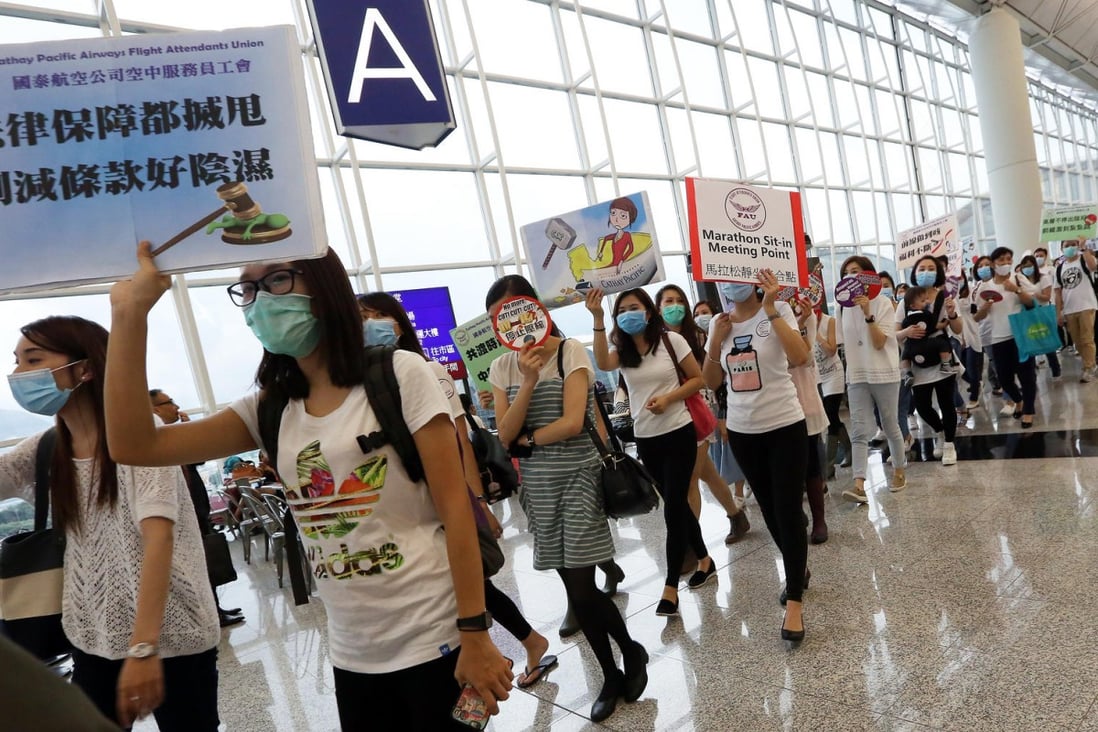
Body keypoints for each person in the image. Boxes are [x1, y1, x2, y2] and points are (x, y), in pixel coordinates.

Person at [105, 244, 513, 730]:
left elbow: (456, 512)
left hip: (435, 638)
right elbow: (133, 445)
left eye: (278, 279)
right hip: (351, 652)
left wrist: (475, 632)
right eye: (249, 288)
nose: (262, 299)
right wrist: (130, 316)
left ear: (323, 287)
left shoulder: (402, 374)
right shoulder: (269, 408)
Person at [2, 316, 220, 730]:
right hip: (92, 637)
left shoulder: (142, 435)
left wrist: (143, 647)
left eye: (33, 359)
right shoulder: (47, 448)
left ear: (85, 368)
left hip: (172, 635)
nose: (17, 374)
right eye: (16, 361)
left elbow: (159, 540)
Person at [358, 290, 555, 689]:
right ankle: (523, 645)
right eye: (362, 316)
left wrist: (477, 500)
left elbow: (459, 441)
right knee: (465, 586)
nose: (370, 324)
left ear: (399, 322)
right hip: (403, 509)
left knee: (467, 583)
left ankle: (505, 652)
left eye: (379, 315)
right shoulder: (360, 384)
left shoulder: (427, 371)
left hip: (442, 500)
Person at [487, 275, 646, 723]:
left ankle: (617, 669)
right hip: (538, 491)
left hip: (578, 479)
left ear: (536, 309)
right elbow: (503, 433)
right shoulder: (503, 368)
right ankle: (624, 657)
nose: (514, 323)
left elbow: (574, 422)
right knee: (578, 591)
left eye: (519, 310)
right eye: (503, 316)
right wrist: (529, 380)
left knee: (581, 589)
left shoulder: (569, 350)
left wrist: (529, 441)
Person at [588, 286, 716, 620]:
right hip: (647, 438)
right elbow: (601, 361)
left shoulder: (671, 342)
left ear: (648, 311)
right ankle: (705, 559)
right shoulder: (623, 351)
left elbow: (698, 379)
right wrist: (599, 319)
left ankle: (671, 585)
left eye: (635, 307)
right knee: (675, 503)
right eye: (622, 310)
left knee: (674, 506)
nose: (629, 314)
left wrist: (669, 398)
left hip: (679, 431)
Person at [700, 271, 811, 642]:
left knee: (788, 510)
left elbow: (800, 357)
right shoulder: (720, 323)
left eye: (740, 275)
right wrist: (715, 340)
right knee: (769, 509)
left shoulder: (777, 308)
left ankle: (794, 596)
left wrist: (772, 310)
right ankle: (799, 569)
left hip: (784, 426)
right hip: (744, 433)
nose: (734, 283)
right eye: (726, 277)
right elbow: (710, 382)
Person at [656, 284, 750, 546]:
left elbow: (716, 376)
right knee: (708, 473)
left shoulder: (698, 337)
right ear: (658, 308)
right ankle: (736, 515)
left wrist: (722, 413)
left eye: (678, 300)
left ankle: (690, 546)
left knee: (689, 482)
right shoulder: (653, 341)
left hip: (699, 412)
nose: (674, 306)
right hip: (670, 416)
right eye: (667, 301)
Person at [150, 388, 244, 628]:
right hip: (183, 510)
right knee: (197, 563)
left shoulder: (173, 434)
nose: (176, 405)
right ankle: (209, 613)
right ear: (155, 409)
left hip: (197, 505)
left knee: (205, 560)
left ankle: (215, 609)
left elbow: (198, 459)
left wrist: (185, 431)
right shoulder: (156, 438)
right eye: (169, 402)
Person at [835, 257, 908, 503]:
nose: (850, 277)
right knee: (858, 429)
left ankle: (899, 470)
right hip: (856, 373)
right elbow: (842, 342)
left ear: (868, 275)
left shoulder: (883, 302)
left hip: (883, 371)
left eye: (855, 272)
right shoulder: (841, 306)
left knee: (889, 424)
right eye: (846, 273)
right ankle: (858, 484)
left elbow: (879, 342)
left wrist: (868, 314)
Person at [897, 256, 962, 466]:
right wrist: (908, 332)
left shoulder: (946, 298)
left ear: (938, 272)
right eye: (922, 268)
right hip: (918, 359)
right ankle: (939, 431)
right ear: (915, 272)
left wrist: (952, 314)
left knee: (947, 402)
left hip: (941, 353)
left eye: (931, 268)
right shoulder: (906, 299)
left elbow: (957, 329)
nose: (926, 271)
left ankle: (950, 444)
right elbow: (895, 331)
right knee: (923, 406)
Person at [973, 246, 1039, 428]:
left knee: (1027, 376)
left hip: (1020, 336)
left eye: (1009, 259)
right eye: (1001, 260)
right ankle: (1018, 400)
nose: (1005, 263)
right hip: (998, 338)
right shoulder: (985, 287)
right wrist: (985, 308)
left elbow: (1032, 302)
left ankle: (1028, 411)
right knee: (1004, 378)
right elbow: (977, 317)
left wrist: (1016, 290)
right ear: (994, 263)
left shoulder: (1017, 278)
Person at [693, 300, 750, 504]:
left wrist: (723, 414)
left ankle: (739, 493)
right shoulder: (696, 344)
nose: (701, 316)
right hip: (705, 407)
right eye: (697, 313)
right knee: (720, 455)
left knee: (731, 448)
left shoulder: (726, 337)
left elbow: (722, 380)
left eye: (705, 312)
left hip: (725, 403)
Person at [1053, 237, 1098, 382]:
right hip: (1069, 309)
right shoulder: (1059, 268)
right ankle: (1090, 364)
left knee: (1087, 338)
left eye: (1073, 245)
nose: (1070, 247)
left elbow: (1093, 266)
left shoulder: (1084, 259)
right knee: (1077, 342)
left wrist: (1084, 249)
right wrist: (1058, 312)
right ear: (1061, 248)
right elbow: (1058, 292)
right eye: (1067, 245)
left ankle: (1088, 367)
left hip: (1086, 305)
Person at [815, 305, 851, 480]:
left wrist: (815, 334)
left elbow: (831, 350)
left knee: (830, 414)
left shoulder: (829, 321)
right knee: (831, 417)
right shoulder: (797, 322)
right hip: (816, 376)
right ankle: (849, 449)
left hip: (833, 373)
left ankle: (828, 467)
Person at [1017, 254, 1061, 378]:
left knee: (1046, 340)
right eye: (1024, 266)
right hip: (1028, 313)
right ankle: (1032, 372)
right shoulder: (1021, 281)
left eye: (1030, 265)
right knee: (1031, 340)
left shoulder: (1044, 278)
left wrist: (1033, 294)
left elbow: (1047, 297)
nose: (1027, 268)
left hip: (1042, 311)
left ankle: (1055, 369)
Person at [898, 286, 955, 379]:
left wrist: (906, 332)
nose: (927, 302)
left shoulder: (907, 317)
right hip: (926, 342)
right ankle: (946, 364)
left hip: (911, 345)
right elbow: (934, 325)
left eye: (927, 299)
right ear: (913, 305)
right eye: (923, 301)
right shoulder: (926, 314)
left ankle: (907, 372)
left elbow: (903, 326)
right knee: (943, 344)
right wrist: (945, 323)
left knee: (905, 355)